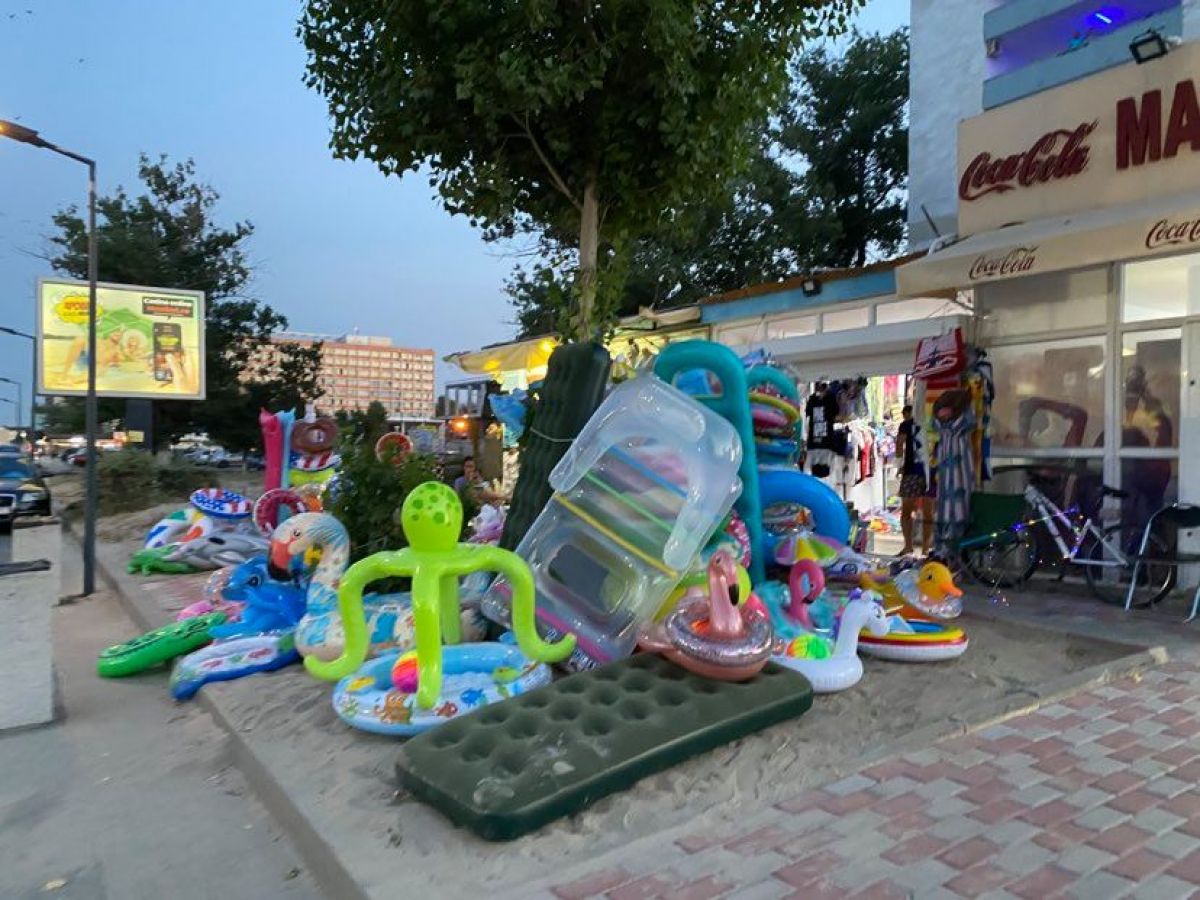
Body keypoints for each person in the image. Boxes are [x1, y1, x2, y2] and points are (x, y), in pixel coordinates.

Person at [896, 405, 933, 556]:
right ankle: (924, 548)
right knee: (927, 513)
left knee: (907, 511)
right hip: (929, 471)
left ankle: (910, 546)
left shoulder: (906, 424)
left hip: (913, 471)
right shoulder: (932, 422)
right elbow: (900, 445)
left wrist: (899, 464)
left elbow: (899, 445)